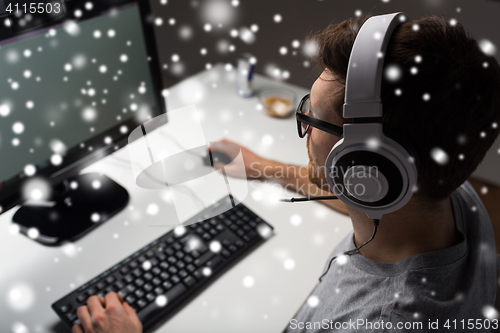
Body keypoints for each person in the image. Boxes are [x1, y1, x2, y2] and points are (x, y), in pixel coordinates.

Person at [72, 14, 500, 333]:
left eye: (312, 117)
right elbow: (370, 196)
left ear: (371, 166)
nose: (305, 127)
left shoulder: (380, 320)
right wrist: (263, 168)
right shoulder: (452, 197)